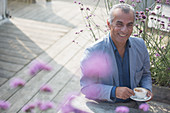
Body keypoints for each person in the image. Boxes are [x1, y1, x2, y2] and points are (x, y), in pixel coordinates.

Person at [80, 3, 153, 105]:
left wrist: (147, 89)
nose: (124, 30)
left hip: (135, 105)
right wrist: (113, 91)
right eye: (119, 24)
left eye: (129, 25)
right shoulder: (93, 51)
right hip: (105, 106)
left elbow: (145, 74)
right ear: (109, 24)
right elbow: (86, 87)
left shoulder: (140, 45)